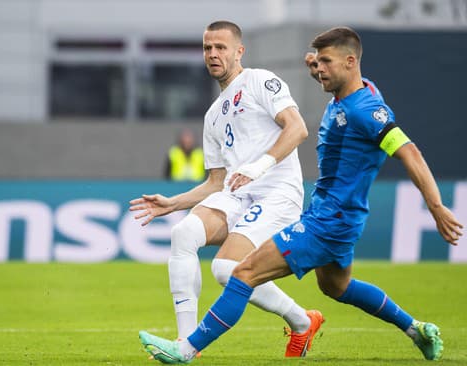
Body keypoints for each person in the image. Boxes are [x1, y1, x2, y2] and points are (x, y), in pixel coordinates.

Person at [138, 26, 463, 363]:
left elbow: (409, 152)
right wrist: (316, 62)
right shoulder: (351, 94)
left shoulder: (364, 111)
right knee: (336, 287)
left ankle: (187, 350)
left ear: (350, 62)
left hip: (327, 220)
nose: (318, 69)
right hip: (335, 217)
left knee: (241, 274)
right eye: (317, 63)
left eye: (325, 63)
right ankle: (415, 329)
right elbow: (216, 180)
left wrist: (436, 207)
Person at [130, 20, 324, 360]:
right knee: (183, 234)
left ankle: (300, 320)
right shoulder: (212, 116)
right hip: (237, 195)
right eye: (207, 48)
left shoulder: (260, 80)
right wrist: (172, 203)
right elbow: (216, 182)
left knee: (225, 269)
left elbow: (298, 128)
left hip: (277, 193)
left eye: (221, 47)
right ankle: (186, 343)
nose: (213, 54)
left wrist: (258, 166)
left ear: (239, 51)